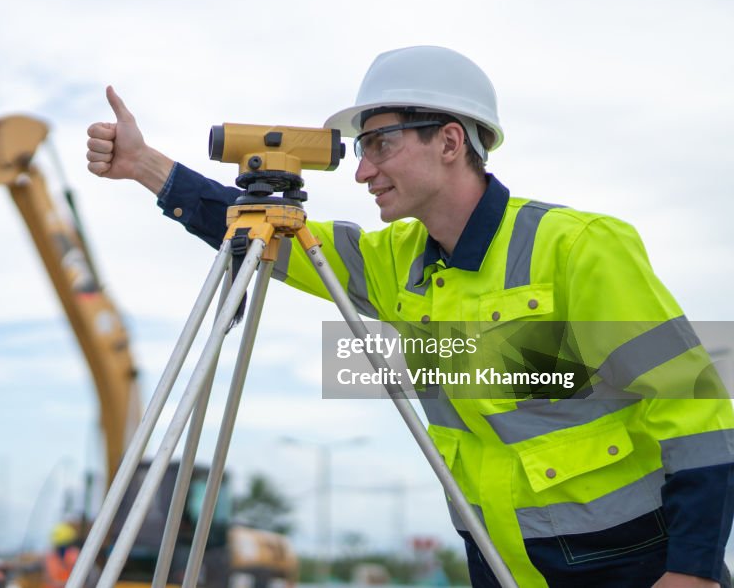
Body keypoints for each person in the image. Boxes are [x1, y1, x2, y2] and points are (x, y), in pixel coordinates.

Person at [85, 46, 734, 587]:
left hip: (629, 563)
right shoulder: (395, 260)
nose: (363, 169)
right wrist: (145, 166)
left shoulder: (579, 247)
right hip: (498, 562)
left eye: (380, 144)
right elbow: (267, 239)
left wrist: (695, 568)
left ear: (450, 141)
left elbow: (697, 406)